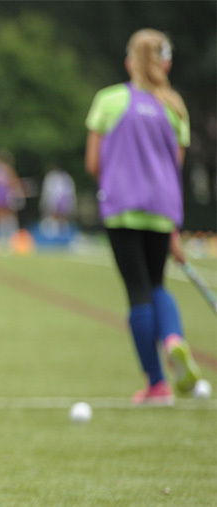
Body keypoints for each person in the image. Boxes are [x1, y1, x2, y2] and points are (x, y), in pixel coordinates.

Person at [85, 28, 201, 405]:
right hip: (163, 211)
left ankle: (156, 384)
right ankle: (173, 338)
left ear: (129, 62)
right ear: (165, 64)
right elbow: (173, 168)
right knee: (157, 284)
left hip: (123, 208)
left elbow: (93, 163)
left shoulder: (109, 100)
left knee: (137, 291)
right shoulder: (175, 107)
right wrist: (173, 227)